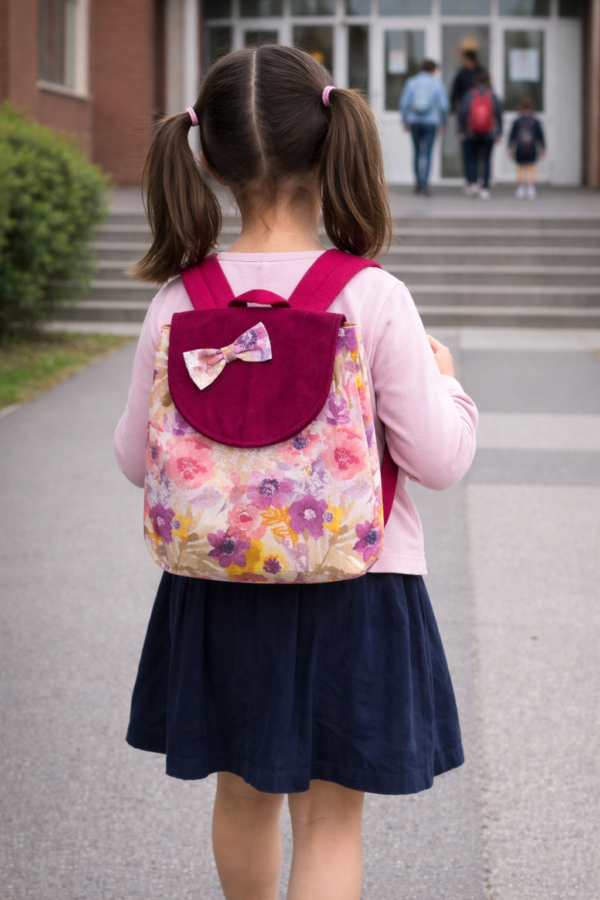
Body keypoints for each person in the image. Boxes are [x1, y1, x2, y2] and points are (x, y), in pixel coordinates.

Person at [115, 45, 478, 900]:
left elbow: (137, 461)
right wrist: (451, 384)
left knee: (241, 796)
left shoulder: (177, 300)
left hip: (218, 586)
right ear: (329, 146)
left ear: (206, 159)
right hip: (355, 585)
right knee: (328, 817)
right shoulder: (371, 295)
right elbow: (437, 458)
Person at [399, 59, 449, 195]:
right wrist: (444, 122)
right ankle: (424, 185)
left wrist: (404, 120)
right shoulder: (437, 84)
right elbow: (444, 106)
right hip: (431, 122)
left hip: (414, 121)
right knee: (427, 153)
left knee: (416, 152)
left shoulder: (412, 82)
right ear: (433, 70)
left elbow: (404, 103)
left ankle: (417, 184)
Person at [458, 68, 503, 199]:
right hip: (489, 133)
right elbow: (498, 114)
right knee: (486, 160)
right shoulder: (493, 95)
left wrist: (461, 130)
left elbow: (463, 113)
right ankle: (485, 188)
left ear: (475, 80)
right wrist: (499, 131)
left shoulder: (469, 94)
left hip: (471, 132)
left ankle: (472, 184)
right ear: (489, 81)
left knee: (472, 158)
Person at [450, 48, 483, 187]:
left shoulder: (476, 73)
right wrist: (452, 110)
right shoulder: (463, 73)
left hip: (479, 118)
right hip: (467, 117)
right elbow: (454, 93)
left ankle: (478, 180)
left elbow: (455, 93)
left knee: (479, 152)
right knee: (468, 151)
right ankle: (470, 180)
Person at [508, 95, 546, 199]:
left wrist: (510, 148)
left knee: (520, 168)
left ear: (520, 107)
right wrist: (542, 148)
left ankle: (520, 188)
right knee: (531, 168)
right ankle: (531, 188)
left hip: (519, 148)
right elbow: (540, 136)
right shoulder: (535, 121)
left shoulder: (517, 121)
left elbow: (512, 136)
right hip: (531, 148)